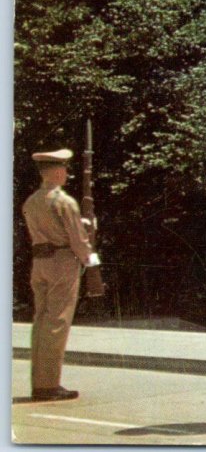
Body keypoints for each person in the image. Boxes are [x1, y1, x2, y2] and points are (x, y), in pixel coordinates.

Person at [22, 149, 100, 402]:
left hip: (40, 263)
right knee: (57, 322)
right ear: (56, 171)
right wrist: (91, 259)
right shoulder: (64, 202)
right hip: (62, 263)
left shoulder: (31, 201)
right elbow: (77, 240)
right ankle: (48, 386)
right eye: (65, 169)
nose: (67, 173)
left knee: (42, 322)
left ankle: (40, 382)